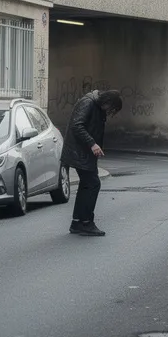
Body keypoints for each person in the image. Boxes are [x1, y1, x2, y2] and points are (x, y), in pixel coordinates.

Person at [63, 89, 123, 237]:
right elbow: (77, 126)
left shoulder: (95, 104)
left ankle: (77, 222)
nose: (110, 112)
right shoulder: (88, 102)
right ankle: (86, 223)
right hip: (79, 152)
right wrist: (92, 144)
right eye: (111, 108)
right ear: (107, 102)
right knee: (93, 184)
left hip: (83, 153)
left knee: (87, 185)